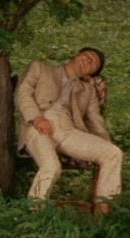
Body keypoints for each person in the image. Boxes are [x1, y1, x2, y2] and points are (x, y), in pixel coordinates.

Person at [15, 47, 123, 214]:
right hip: (38, 126)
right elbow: (23, 93)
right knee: (51, 166)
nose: (87, 60)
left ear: (89, 75)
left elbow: (95, 120)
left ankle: (103, 212)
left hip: (69, 131)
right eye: (86, 56)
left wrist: (103, 142)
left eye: (92, 63)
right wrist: (36, 118)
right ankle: (32, 215)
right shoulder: (41, 68)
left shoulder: (87, 90)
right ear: (75, 54)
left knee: (113, 153)